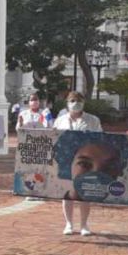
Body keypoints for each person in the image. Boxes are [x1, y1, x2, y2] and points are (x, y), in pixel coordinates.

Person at [53, 91, 104, 236]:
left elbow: (100, 138)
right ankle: (68, 224)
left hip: (86, 161)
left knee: (84, 193)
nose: (76, 103)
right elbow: (54, 138)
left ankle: (84, 225)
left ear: (83, 103)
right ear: (68, 103)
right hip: (65, 160)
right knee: (67, 193)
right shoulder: (60, 120)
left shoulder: (93, 120)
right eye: (72, 100)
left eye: (79, 101)